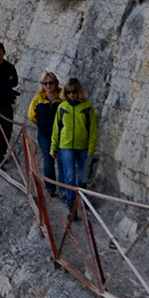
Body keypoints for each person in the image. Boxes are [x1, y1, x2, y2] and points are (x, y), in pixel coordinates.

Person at [52, 78, 98, 211]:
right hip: (65, 146)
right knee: (70, 176)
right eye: (69, 92)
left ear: (79, 92)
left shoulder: (87, 107)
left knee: (83, 177)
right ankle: (71, 204)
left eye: (74, 92)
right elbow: (57, 129)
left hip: (82, 147)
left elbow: (93, 130)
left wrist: (91, 148)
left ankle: (81, 200)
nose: (72, 94)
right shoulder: (62, 107)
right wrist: (53, 147)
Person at [27, 72, 62, 189]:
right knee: (48, 160)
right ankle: (50, 188)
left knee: (62, 161)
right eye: (45, 83)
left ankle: (63, 189)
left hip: (61, 135)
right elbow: (32, 115)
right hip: (45, 135)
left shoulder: (62, 98)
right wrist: (41, 125)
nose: (48, 86)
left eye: (50, 83)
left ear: (56, 83)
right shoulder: (38, 99)